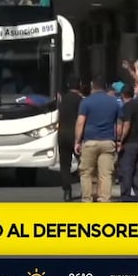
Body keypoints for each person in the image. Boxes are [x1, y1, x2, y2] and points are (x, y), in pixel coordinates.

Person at [74, 75, 122, 203]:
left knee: (86, 173)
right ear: (105, 87)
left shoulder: (86, 102)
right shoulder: (114, 102)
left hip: (90, 141)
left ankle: (87, 200)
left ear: (92, 86)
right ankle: (104, 200)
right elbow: (119, 123)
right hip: (108, 141)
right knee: (106, 174)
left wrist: (77, 141)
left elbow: (80, 123)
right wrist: (118, 140)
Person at [58, 74, 83, 202]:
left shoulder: (63, 99)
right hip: (75, 135)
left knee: (65, 164)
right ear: (79, 85)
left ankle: (67, 190)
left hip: (62, 134)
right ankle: (86, 189)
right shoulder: (80, 100)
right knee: (83, 162)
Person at [117, 84, 138, 201]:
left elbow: (126, 125)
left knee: (126, 170)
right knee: (137, 170)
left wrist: (120, 140)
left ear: (122, 95)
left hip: (130, 142)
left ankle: (126, 196)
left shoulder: (127, 107)